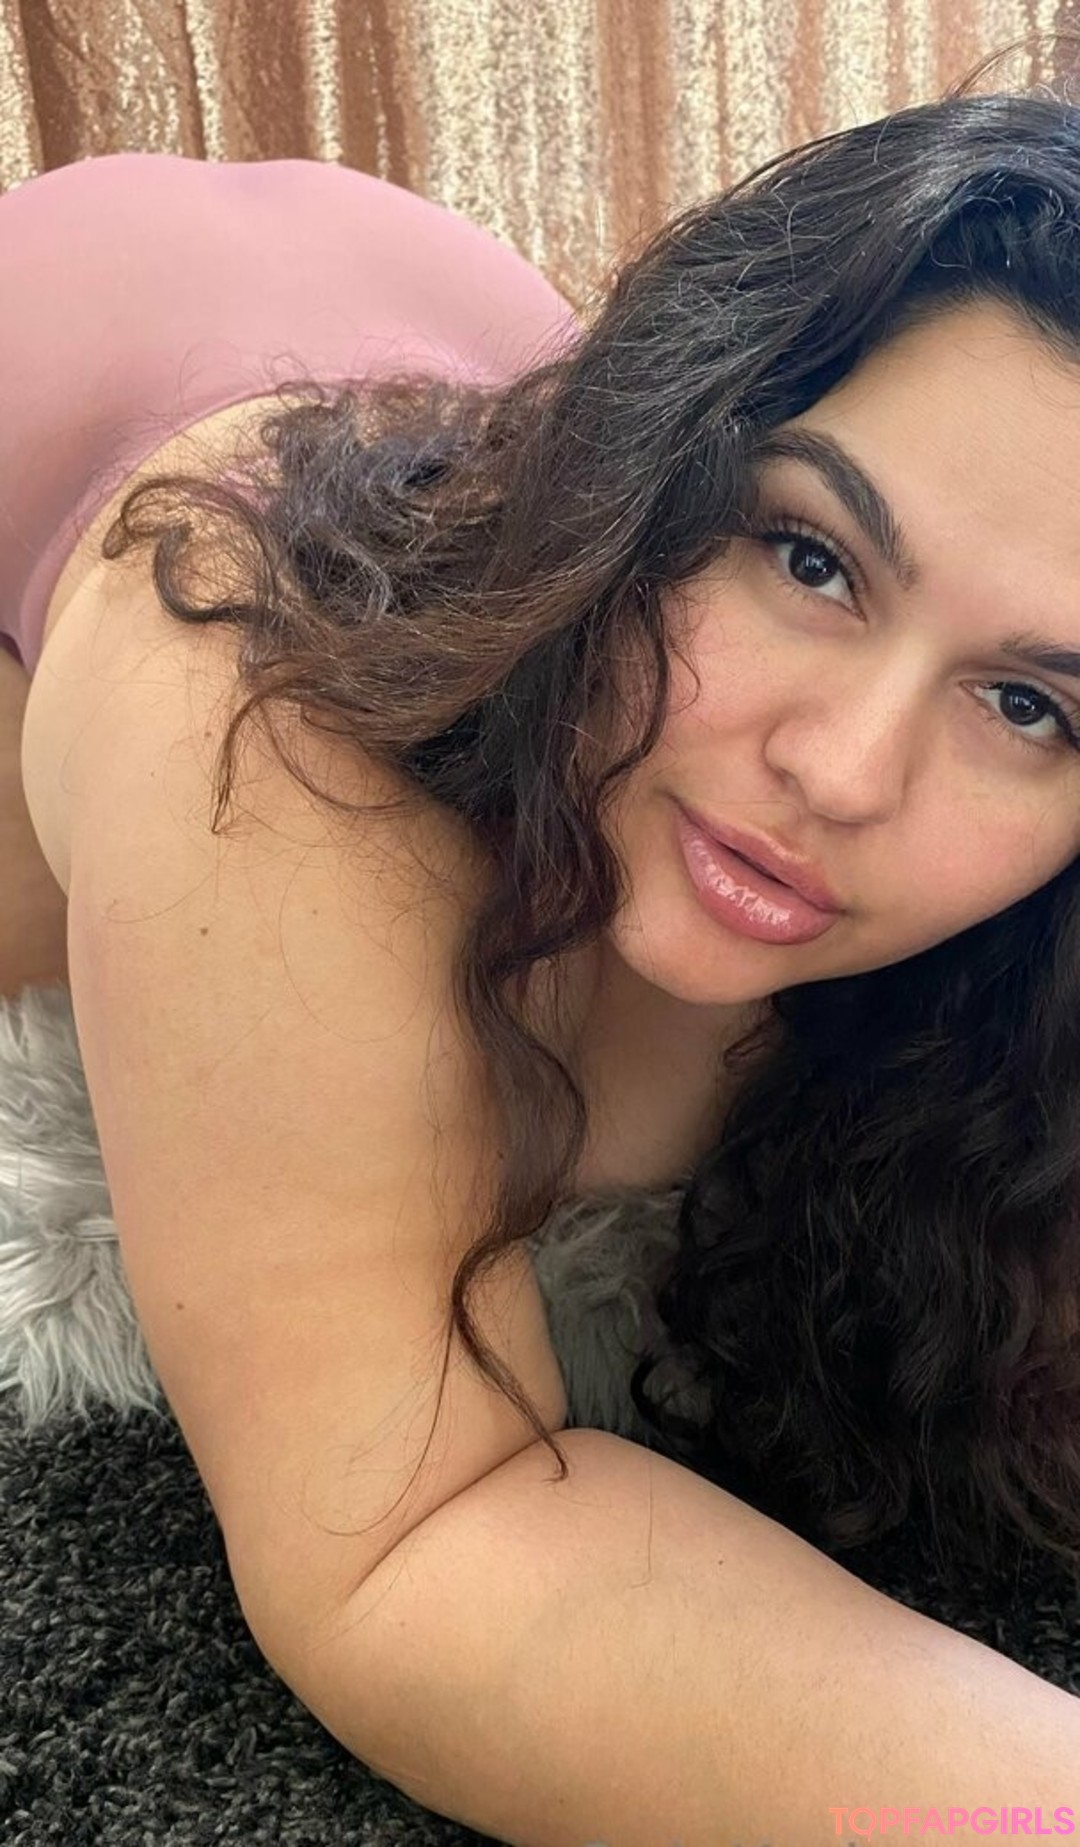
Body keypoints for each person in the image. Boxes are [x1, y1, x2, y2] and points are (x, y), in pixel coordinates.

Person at [11, 50, 1080, 1846]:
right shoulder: (271, 717)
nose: (842, 770)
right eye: (810, 559)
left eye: (1030, 704)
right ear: (664, 468)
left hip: (451, 313)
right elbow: (416, 1541)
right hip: (84, 321)